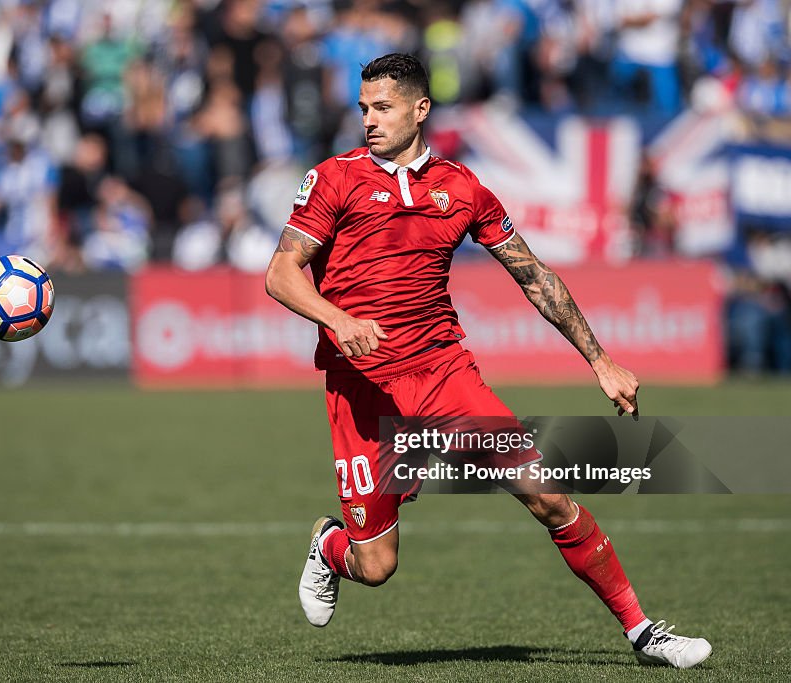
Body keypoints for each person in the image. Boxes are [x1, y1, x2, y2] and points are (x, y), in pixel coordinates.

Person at [264, 53, 711, 670]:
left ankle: (643, 633)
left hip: (444, 373)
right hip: (361, 385)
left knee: (548, 495)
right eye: (363, 107)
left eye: (382, 107)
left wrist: (601, 361)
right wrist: (339, 320)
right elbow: (280, 273)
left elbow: (534, 277)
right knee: (377, 566)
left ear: (421, 110)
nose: (368, 119)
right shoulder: (333, 179)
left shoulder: (463, 188)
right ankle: (329, 547)